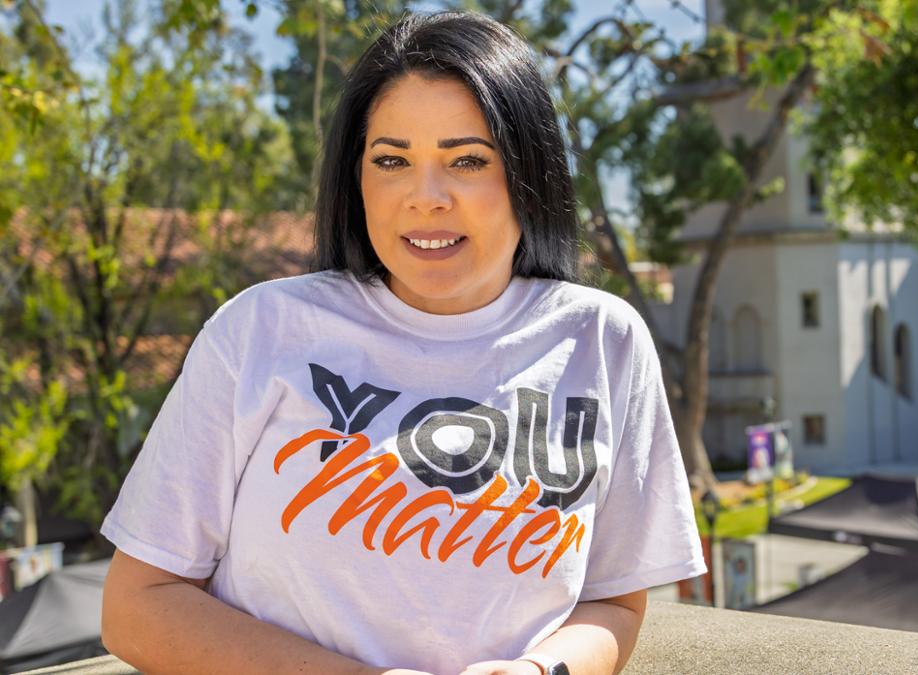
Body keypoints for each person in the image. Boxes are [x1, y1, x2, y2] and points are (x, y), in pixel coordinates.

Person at [99, 11, 706, 675]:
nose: (427, 197)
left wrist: (540, 671)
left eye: (467, 159)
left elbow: (614, 601)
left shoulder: (604, 340)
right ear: (355, 178)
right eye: (391, 159)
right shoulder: (259, 331)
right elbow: (137, 604)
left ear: (529, 173)